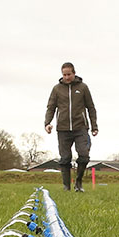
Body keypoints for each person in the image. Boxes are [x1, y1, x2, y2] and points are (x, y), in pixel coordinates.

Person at [45, 62, 98, 192]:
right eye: (64, 75)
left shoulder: (83, 88)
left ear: (74, 73)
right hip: (63, 129)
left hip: (80, 127)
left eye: (69, 74)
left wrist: (94, 126)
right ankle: (66, 186)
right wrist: (47, 123)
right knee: (65, 159)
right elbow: (51, 107)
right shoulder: (57, 89)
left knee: (84, 155)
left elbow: (91, 108)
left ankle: (78, 183)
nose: (67, 77)